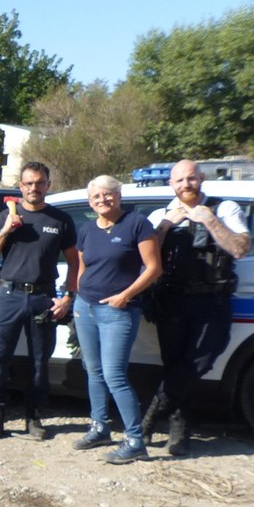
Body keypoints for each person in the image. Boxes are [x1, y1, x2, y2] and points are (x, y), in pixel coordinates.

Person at [142, 159, 251, 456]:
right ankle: (180, 432)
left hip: (212, 300)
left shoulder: (224, 208)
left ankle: (151, 414)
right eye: (179, 180)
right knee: (176, 365)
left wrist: (210, 220)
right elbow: (147, 258)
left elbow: (241, 248)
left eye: (191, 178)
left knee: (199, 362)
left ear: (201, 178)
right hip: (172, 300)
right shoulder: (160, 214)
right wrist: (165, 226)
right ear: (171, 184)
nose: (186, 185)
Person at [0, 162, 79, 440]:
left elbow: (75, 262)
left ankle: (33, 417)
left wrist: (68, 296)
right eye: (29, 183)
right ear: (21, 186)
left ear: (48, 185)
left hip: (42, 297)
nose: (34, 188)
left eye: (40, 182)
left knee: (39, 361)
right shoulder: (7, 216)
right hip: (9, 295)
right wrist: (6, 231)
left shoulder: (60, 220)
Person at [71, 175, 163, 464]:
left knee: (114, 375)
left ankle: (135, 440)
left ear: (119, 196)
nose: (103, 200)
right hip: (85, 307)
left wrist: (125, 295)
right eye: (97, 196)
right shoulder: (87, 229)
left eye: (108, 195)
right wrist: (76, 299)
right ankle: (100, 427)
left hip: (118, 310)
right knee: (93, 370)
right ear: (90, 202)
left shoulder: (137, 224)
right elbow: (82, 266)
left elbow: (153, 268)